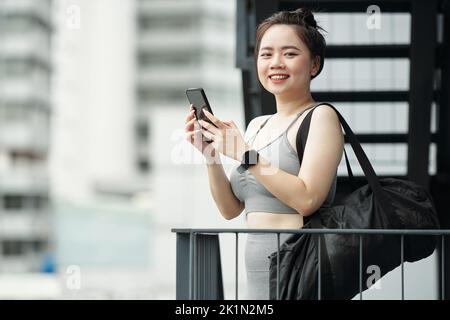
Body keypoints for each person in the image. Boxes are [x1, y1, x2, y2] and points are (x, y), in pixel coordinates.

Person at [184, 8, 344, 300]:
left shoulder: (321, 117)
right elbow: (231, 209)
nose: (276, 63)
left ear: (314, 65)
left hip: (301, 274)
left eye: (290, 54)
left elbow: (307, 199)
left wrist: (247, 155)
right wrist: (211, 155)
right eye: (266, 54)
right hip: (257, 281)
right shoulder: (259, 125)